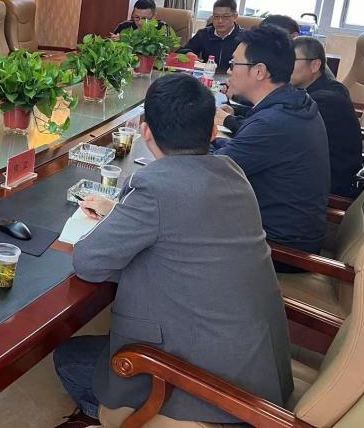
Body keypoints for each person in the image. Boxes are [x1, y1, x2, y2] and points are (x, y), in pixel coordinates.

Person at [54, 74, 292, 424]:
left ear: (146, 132)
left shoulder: (155, 186)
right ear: (213, 131)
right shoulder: (233, 172)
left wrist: (121, 217)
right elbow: (185, 226)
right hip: (259, 373)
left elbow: (89, 262)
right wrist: (125, 213)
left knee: (70, 359)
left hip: (212, 391)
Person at [212, 26, 330, 258]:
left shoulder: (274, 121)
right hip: (281, 229)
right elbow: (238, 153)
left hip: (278, 247)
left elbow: (210, 173)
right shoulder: (293, 103)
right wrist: (213, 142)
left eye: (234, 63)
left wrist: (178, 142)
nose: (229, 70)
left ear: (259, 71)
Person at [291, 36, 362, 196]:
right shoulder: (326, 87)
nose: (285, 66)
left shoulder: (325, 100)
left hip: (329, 185)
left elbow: (282, 129)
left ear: (315, 65)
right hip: (316, 170)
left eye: (292, 60)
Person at [180, 0, 244, 71]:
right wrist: (187, 53)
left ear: (235, 17)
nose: (220, 21)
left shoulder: (244, 38)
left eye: (225, 16)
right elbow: (182, 51)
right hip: (207, 75)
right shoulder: (204, 34)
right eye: (216, 16)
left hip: (233, 76)